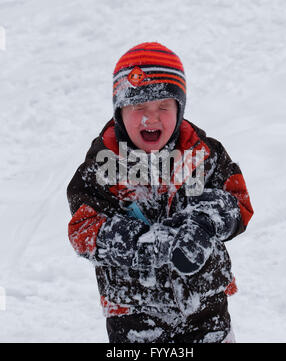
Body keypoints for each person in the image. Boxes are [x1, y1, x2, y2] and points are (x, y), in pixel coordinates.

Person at [67, 42, 254, 343]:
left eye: (163, 107)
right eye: (138, 107)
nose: (150, 118)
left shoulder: (203, 154)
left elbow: (238, 203)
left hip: (207, 312)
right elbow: (83, 230)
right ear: (119, 111)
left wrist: (204, 223)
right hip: (135, 320)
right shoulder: (103, 166)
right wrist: (150, 244)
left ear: (179, 109)